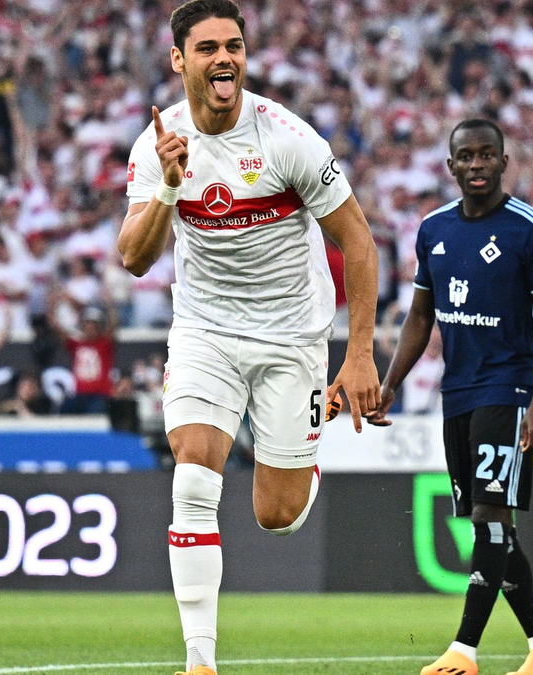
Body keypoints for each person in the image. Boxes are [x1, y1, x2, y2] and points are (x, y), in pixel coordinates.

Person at [116, 2, 381, 674]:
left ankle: (303, 455)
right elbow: (134, 258)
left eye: (233, 45)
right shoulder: (157, 145)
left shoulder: (288, 138)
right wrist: (170, 188)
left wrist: (358, 354)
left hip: (291, 335)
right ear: (179, 60)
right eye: (207, 48)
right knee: (192, 473)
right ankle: (199, 660)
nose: (224, 58)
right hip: (205, 330)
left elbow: (358, 241)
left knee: (277, 514)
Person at [367, 118, 533, 675]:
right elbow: (420, 316)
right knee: (491, 525)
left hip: (508, 387)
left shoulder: (531, 230)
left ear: (504, 162)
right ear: (450, 165)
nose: (477, 164)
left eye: (486, 155)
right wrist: (390, 384)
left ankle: (464, 651)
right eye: (467, 156)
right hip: (456, 391)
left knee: (489, 515)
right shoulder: (433, 229)